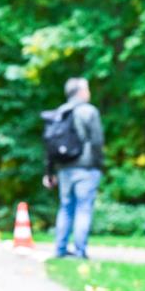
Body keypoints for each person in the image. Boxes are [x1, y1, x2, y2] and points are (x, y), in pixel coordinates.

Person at [41, 77, 104, 259]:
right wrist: (98, 165)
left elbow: (50, 145)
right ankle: (80, 251)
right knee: (83, 208)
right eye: (87, 88)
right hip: (86, 168)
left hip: (64, 169)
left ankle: (60, 249)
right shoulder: (89, 111)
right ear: (81, 92)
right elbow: (97, 141)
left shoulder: (60, 112)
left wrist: (49, 172)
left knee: (66, 208)